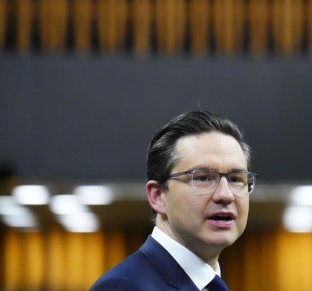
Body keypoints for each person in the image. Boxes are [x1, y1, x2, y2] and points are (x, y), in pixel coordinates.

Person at [90, 111, 257, 291]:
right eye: (203, 178)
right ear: (157, 196)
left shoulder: (212, 284)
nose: (226, 195)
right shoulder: (123, 287)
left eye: (236, 179)